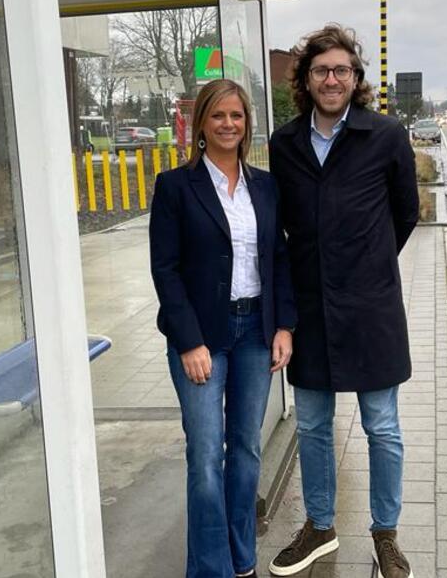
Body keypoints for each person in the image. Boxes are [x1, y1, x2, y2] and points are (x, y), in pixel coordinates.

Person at [266, 25, 420, 578]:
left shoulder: (385, 135)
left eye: (341, 71)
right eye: (320, 71)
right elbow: (281, 228)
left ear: (356, 79)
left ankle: (386, 535)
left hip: (371, 309)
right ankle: (320, 526)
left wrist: (368, 266)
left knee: (382, 426)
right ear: (305, 81)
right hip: (309, 309)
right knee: (310, 424)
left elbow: (406, 214)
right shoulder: (285, 144)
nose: (331, 80)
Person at [149, 79, 297, 578]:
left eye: (236, 116)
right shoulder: (175, 186)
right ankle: (211, 570)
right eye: (218, 116)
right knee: (207, 455)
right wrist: (189, 340)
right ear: (201, 125)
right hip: (203, 337)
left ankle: (242, 561)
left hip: (257, 329)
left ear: (247, 123)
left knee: (248, 450)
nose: (228, 124)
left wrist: (284, 326)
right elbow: (165, 270)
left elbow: (278, 256)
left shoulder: (265, 185)